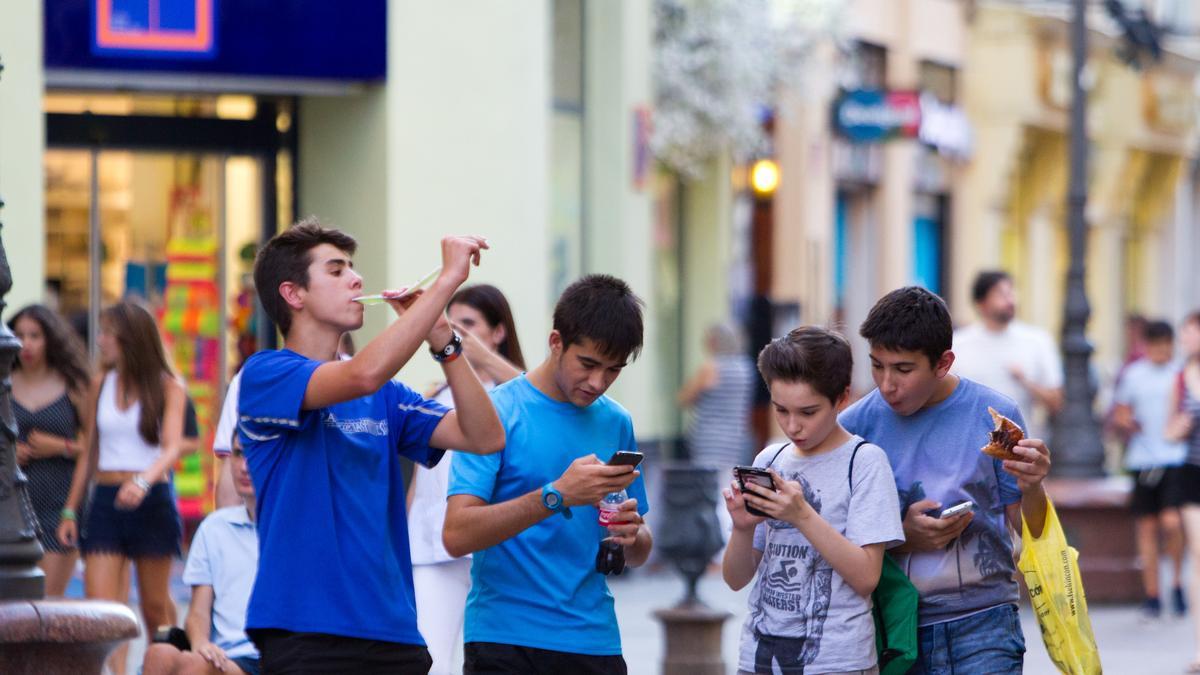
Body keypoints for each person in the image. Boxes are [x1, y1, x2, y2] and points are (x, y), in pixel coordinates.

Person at [236, 219, 504, 674]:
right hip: (306, 631)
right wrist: (446, 283)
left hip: (393, 631)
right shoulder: (265, 374)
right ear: (293, 294)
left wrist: (443, 339)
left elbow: (483, 436)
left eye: (353, 268)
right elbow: (361, 373)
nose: (356, 279)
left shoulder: (387, 395)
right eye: (337, 271)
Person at [444, 274, 652, 675]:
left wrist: (632, 534)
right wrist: (555, 495)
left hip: (594, 639)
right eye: (588, 364)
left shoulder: (616, 421)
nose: (598, 382)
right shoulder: (494, 412)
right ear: (556, 342)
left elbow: (640, 551)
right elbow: (456, 535)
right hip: (504, 639)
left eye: (613, 370)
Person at [838, 286, 1051, 674]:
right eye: (876, 366)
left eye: (903, 369)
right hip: (894, 629)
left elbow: (1030, 531)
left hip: (985, 623)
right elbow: (831, 539)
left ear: (943, 362)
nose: (887, 384)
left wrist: (1033, 485)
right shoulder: (854, 427)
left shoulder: (995, 416)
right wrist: (901, 537)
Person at [722, 326, 904, 674]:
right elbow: (735, 578)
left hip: (838, 660)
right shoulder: (769, 461)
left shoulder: (864, 462)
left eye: (808, 412)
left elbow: (867, 576)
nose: (793, 426)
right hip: (759, 656)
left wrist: (801, 514)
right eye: (781, 410)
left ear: (842, 397)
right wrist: (742, 529)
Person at [57, 301, 188, 675]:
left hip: (152, 500)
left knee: (154, 608)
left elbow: (173, 447)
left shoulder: (169, 385)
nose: (99, 341)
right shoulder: (100, 383)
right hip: (106, 500)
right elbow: (90, 453)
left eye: (107, 333)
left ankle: (167, 666)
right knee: (102, 609)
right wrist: (71, 508)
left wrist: (144, 480)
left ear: (130, 339)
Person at [407, 284, 525, 675]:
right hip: (431, 544)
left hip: (494, 546)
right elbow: (423, 473)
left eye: (468, 324)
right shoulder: (437, 393)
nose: (457, 332)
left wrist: (481, 356)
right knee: (429, 660)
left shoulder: (515, 390)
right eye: (451, 323)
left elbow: (541, 407)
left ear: (498, 331)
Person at [143, 431, 261, 675]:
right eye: (238, 454)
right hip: (224, 655)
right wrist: (201, 645)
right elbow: (198, 612)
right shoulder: (214, 528)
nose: (244, 466)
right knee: (159, 653)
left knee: (193, 666)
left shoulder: (292, 528)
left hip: (267, 656)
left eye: (254, 453)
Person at [9, 304, 91, 596]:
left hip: (59, 503)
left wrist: (60, 446)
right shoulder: (5, 384)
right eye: (20, 335)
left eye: (35, 336)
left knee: (47, 600)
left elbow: (92, 448)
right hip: (12, 506)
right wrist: (8, 455)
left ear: (51, 339)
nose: (26, 344)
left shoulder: (73, 385)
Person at [1111, 319, 1188, 619]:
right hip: (1142, 459)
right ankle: (1153, 593)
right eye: (1156, 346)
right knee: (1146, 528)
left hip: (1173, 456)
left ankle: (1178, 581)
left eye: (1165, 346)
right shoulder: (1133, 375)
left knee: (1172, 522)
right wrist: (1126, 422)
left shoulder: (1180, 374)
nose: (1161, 352)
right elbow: (1120, 411)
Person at [952, 270, 1062, 436]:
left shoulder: (1037, 340)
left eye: (1011, 292)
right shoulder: (958, 343)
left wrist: (1025, 381)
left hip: (1020, 450)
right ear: (981, 303)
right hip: (970, 449)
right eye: (1000, 294)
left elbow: (1056, 402)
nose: (1010, 300)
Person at [678, 322, 757, 542]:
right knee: (729, 489)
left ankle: (718, 548)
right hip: (735, 439)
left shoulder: (712, 367)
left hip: (710, 440)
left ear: (714, 342)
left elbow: (685, 397)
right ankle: (725, 545)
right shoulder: (745, 367)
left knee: (714, 495)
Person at [1173, 311, 1200, 669]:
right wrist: (1179, 426)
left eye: (1191, 333)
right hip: (1192, 473)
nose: (1187, 339)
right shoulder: (1179, 378)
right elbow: (1167, 429)